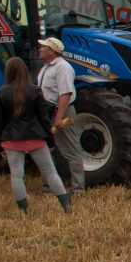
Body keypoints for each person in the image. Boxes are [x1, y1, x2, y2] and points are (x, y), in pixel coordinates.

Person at [0, 57, 71, 213]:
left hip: (11, 140)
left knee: (16, 175)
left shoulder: (1, 94)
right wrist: (50, 141)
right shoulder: (35, 91)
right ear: (25, 71)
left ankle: (24, 211)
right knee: (50, 172)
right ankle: (66, 206)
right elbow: (44, 119)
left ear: (8, 72)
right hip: (35, 137)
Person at [36, 37, 86, 192]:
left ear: (51, 51)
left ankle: (78, 188)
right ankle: (50, 185)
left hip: (60, 112)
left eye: (43, 47)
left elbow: (65, 94)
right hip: (48, 112)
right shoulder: (46, 68)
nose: (39, 49)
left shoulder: (62, 67)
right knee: (47, 150)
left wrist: (59, 117)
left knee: (71, 150)